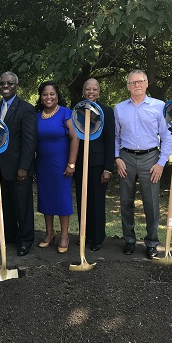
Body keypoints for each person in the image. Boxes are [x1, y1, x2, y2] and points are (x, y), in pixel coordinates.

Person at [114, 70, 172, 259]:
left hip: (151, 159)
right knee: (125, 202)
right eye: (133, 82)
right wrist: (117, 158)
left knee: (152, 204)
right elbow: (115, 136)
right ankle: (129, 241)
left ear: (147, 83)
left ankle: (152, 243)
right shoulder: (120, 108)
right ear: (128, 86)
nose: (137, 85)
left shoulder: (159, 106)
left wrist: (161, 163)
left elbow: (166, 137)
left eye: (140, 81)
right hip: (126, 158)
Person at [0, 71, 37, 256]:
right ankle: (9, 236)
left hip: (19, 168)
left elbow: (29, 141)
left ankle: (25, 240)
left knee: (22, 206)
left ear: (16, 85)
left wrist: (24, 167)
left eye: (9, 83)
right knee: (5, 205)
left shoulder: (26, 109)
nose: (5, 86)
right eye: (2, 83)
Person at [34, 81, 79, 253]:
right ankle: (49, 233)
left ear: (57, 95)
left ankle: (64, 235)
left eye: (52, 94)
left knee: (62, 199)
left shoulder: (66, 113)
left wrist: (71, 163)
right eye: (45, 94)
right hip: (43, 164)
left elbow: (75, 138)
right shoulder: (37, 116)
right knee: (46, 198)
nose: (48, 97)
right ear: (41, 97)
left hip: (62, 165)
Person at [74, 78, 115, 252]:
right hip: (79, 163)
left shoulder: (106, 111)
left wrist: (108, 168)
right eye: (88, 89)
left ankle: (97, 238)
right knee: (82, 200)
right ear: (83, 92)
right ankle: (85, 234)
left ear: (99, 92)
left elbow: (110, 140)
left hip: (98, 164)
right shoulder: (76, 111)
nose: (91, 92)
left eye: (94, 89)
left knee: (97, 201)